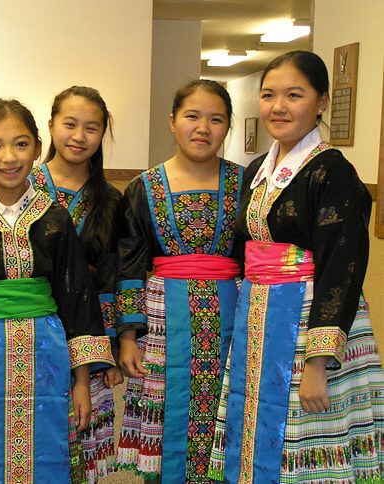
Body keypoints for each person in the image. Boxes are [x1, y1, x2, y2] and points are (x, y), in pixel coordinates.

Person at [208, 50, 384, 484]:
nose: (278, 106)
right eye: (268, 95)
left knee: (302, 433)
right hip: (259, 313)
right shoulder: (257, 171)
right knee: (253, 422)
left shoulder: (333, 172)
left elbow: (342, 269)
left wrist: (318, 362)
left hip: (306, 321)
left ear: (322, 102)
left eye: (294, 95)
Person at [0, 98, 115, 484]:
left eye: (21, 144)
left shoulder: (55, 217)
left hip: (47, 354)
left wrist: (81, 381)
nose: (9, 157)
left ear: (38, 146)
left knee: (48, 450)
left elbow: (76, 296)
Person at [115, 80, 243, 483]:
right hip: (163, 317)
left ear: (228, 128)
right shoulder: (143, 188)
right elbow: (129, 264)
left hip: (236, 314)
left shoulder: (249, 184)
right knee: (169, 414)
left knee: (232, 410)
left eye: (216, 119)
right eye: (192, 116)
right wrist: (128, 335)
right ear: (172, 122)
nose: (202, 127)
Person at [29, 86, 124, 483]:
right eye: (69, 124)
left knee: (81, 434)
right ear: (50, 125)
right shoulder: (21, 181)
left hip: (88, 330)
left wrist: (116, 345)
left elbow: (114, 274)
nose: (79, 136)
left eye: (92, 128)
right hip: (28, 323)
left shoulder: (110, 199)